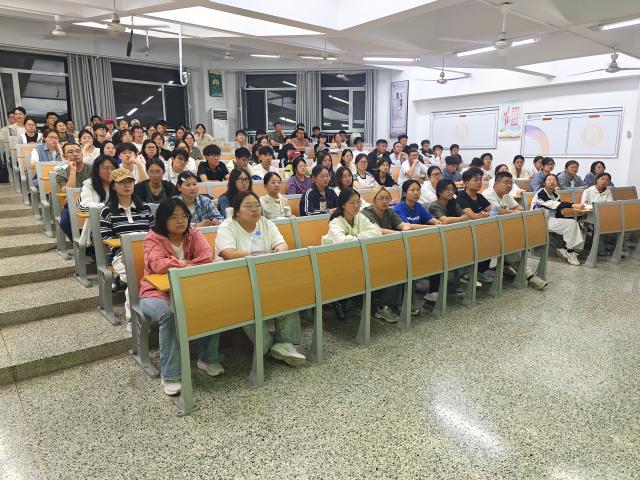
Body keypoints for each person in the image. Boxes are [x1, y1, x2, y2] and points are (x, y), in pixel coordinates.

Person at [139, 198, 221, 396]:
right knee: (169, 315)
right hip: (155, 292)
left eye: (184, 216)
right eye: (174, 217)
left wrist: (178, 264)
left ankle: (207, 358)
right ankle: (170, 375)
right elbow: (157, 265)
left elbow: (206, 257)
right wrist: (186, 263)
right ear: (163, 219)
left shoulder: (193, 233)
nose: (180, 221)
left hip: (187, 288)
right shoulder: (153, 238)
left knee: (213, 305)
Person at [216, 191, 306, 365]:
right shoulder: (227, 226)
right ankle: (268, 346)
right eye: (248, 206)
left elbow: (282, 245)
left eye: (257, 205)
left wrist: (277, 251)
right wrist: (260, 255)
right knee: (246, 302)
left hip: (265, 275)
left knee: (288, 293)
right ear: (237, 211)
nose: (255, 209)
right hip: (235, 280)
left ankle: (285, 343)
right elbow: (228, 253)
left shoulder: (265, 223)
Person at [100, 168, 155, 323]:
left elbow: (154, 232)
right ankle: (134, 316)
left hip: (148, 252)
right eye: (122, 182)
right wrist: (130, 241)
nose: (127, 185)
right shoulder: (107, 211)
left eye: (130, 181)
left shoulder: (144, 207)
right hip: (121, 255)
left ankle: (146, 311)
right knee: (136, 274)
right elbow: (107, 238)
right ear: (113, 186)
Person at [531, 173, 584, 266]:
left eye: (554, 180)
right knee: (571, 224)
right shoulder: (541, 194)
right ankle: (569, 251)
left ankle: (568, 249)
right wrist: (573, 205)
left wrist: (565, 219)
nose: (552, 182)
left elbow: (558, 210)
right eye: (549, 180)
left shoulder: (555, 194)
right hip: (540, 220)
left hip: (551, 219)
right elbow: (555, 205)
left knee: (574, 223)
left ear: (557, 183)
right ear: (544, 183)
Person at [77, 155, 117, 245]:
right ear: (97, 169)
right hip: (97, 227)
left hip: (119, 222)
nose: (110, 171)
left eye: (113, 168)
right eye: (105, 168)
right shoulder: (89, 185)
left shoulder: (121, 184)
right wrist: (105, 208)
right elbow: (83, 207)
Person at [56, 142, 92, 240]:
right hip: (72, 205)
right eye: (70, 152)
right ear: (64, 156)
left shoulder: (93, 168)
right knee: (64, 222)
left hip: (93, 202)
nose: (75, 154)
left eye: (78, 151)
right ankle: (81, 245)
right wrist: (72, 171)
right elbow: (69, 192)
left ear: (82, 153)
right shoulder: (61, 174)